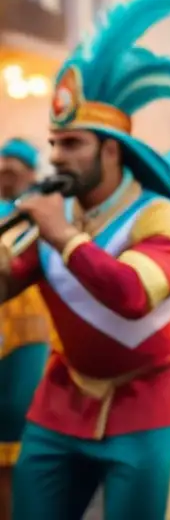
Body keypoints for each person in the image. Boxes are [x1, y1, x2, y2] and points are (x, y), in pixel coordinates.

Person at [0, 0, 170, 519]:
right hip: (59, 403)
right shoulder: (50, 218)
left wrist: (63, 237)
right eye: (54, 144)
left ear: (111, 150)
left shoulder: (160, 217)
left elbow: (133, 294)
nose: (56, 157)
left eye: (72, 144)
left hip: (145, 407)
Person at [0, 139, 47, 520]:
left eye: (19, 165)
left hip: (29, 333)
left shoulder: (44, 211)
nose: (9, 170)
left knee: (15, 430)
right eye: (5, 163)